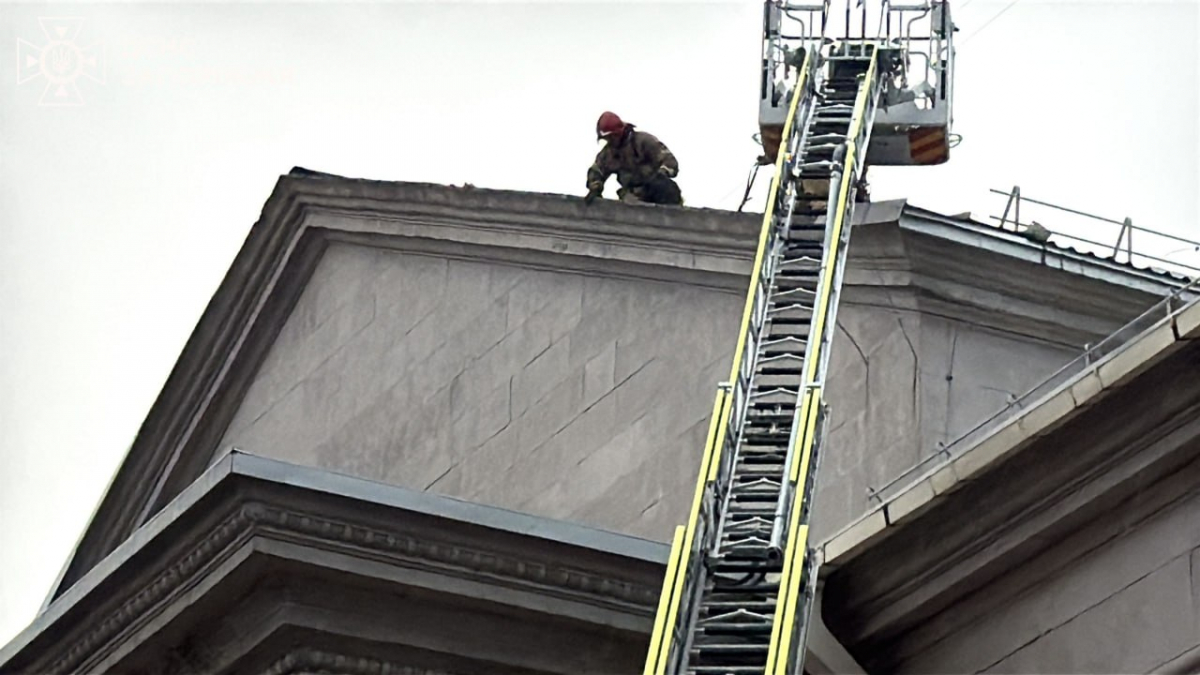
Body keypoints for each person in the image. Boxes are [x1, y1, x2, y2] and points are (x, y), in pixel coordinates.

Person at [584, 111, 683, 206]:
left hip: (656, 191)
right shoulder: (608, 153)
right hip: (633, 197)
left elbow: (669, 161)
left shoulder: (643, 141)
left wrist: (661, 174)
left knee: (666, 187)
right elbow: (597, 171)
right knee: (629, 206)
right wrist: (595, 187)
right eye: (606, 139)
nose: (610, 141)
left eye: (611, 137)